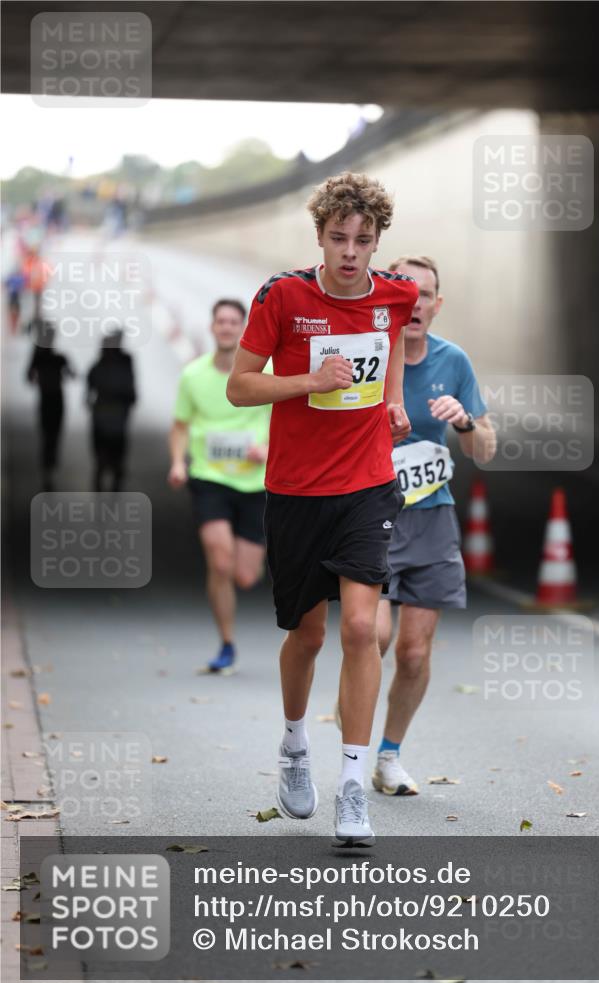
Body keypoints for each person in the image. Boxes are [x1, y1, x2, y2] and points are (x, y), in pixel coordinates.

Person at [226, 171, 418, 846]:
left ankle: (351, 788)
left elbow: (388, 347)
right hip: (296, 489)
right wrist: (310, 380)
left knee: (362, 630)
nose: (348, 251)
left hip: (365, 485)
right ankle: (293, 746)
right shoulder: (282, 296)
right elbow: (239, 388)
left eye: (361, 240)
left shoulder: (396, 295)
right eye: (338, 237)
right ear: (320, 236)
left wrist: (391, 399)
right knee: (306, 635)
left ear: (375, 243)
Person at [371, 255, 496, 796]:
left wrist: (465, 422)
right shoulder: (369, 357)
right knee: (371, 635)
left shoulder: (454, 361)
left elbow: (485, 448)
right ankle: (353, 732)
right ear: (389, 296)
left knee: (414, 652)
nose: (416, 302)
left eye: (426, 294)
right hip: (371, 518)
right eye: (406, 290)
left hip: (431, 518)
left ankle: (389, 756)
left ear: (436, 305)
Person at [168, 299, 270, 674]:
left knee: (244, 574)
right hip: (210, 477)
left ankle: (241, 566)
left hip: (254, 483)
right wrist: (179, 462)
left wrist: (270, 447)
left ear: (243, 329)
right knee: (220, 558)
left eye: (233, 322)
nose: (226, 328)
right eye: (220, 322)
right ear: (212, 328)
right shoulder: (193, 375)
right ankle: (227, 642)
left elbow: (289, 418)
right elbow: (180, 425)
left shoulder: (265, 372)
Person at [26, 320, 75, 491]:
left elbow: (29, 378)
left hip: (48, 399)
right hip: (54, 399)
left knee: (48, 436)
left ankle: (48, 469)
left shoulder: (42, 358)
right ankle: (49, 467)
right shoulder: (57, 358)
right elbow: (73, 375)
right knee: (52, 436)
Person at [86, 329, 137, 492]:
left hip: (110, 414)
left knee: (110, 452)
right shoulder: (116, 362)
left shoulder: (116, 362)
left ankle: (110, 475)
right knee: (111, 451)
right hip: (110, 414)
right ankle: (110, 474)